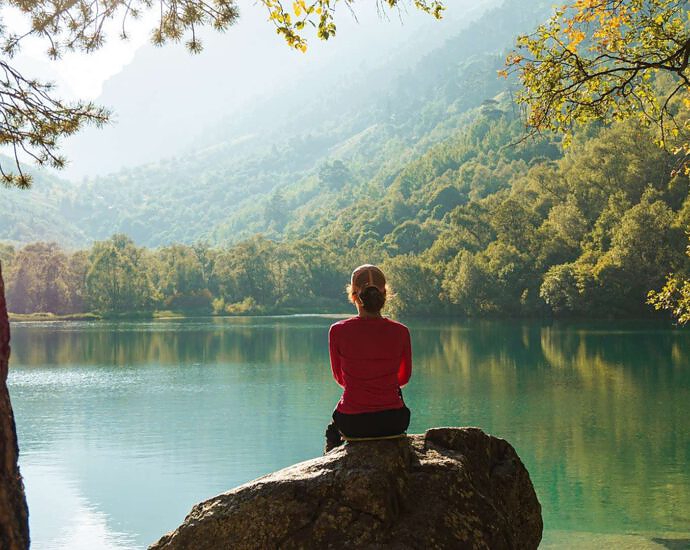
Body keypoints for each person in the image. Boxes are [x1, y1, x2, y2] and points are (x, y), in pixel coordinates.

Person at [324, 264, 412, 453]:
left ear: (354, 296)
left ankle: (329, 463)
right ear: (385, 294)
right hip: (394, 422)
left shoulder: (338, 331)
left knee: (333, 429)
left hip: (353, 424)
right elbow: (403, 379)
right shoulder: (401, 332)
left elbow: (340, 379)